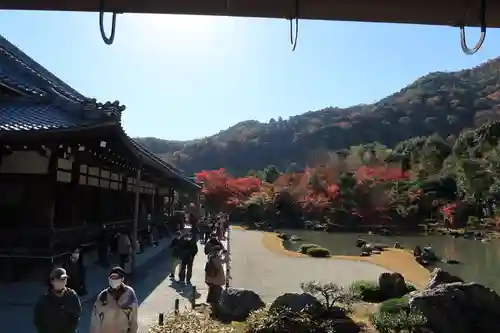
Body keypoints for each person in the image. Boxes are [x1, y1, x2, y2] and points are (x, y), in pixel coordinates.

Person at [90, 267, 138, 333]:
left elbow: (134, 318)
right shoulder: (103, 296)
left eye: (116, 278)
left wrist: (133, 330)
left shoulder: (129, 293)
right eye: (112, 278)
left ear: (122, 279)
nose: (114, 280)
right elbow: (95, 319)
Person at [34, 268, 82, 333]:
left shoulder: (72, 296)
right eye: (59, 279)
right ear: (52, 281)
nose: (62, 282)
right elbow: (38, 320)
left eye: (64, 279)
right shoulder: (44, 300)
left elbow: (76, 316)